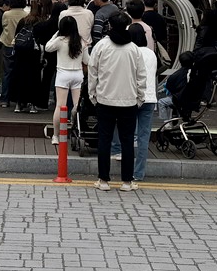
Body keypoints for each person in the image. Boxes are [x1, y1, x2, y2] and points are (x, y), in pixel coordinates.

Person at [88, 11, 147, 192]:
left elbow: (93, 71)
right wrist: (140, 97)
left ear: (110, 26)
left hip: (105, 99)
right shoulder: (133, 49)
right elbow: (141, 76)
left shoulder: (101, 46)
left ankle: (104, 180)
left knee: (104, 140)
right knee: (127, 141)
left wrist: (93, 94)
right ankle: (127, 182)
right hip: (128, 101)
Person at [111, 26, 158, 183]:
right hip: (150, 98)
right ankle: (139, 173)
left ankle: (123, 162)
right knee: (144, 137)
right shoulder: (151, 54)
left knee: (127, 134)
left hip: (133, 97)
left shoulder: (131, 52)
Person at [44, 15, 88, 144]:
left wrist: (56, 34)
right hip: (78, 75)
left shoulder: (60, 40)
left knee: (60, 106)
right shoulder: (81, 41)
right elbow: (87, 61)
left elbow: (48, 47)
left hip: (63, 75)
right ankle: (78, 130)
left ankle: (56, 136)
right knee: (77, 106)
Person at [9, 4, 46, 114]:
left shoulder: (23, 21)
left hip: (20, 54)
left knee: (20, 77)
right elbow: (43, 41)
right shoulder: (41, 23)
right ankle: (33, 105)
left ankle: (18, 104)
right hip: (34, 56)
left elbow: (16, 36)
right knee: (33, 79)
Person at [0, 0, 28, 107]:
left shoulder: (6, 14)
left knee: (7, 72)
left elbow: (3, 26)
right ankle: (19, 99)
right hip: (22, 46)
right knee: (20, 72)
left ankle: (5, 99)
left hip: (8, 44)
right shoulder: (26, 14)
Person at [155, 51, 194, 125]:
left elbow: (169, 86)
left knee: (161, 102)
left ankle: (166, 123)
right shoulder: (196, 73)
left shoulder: (176, 75)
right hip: (193, 99)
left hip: (180, 99)